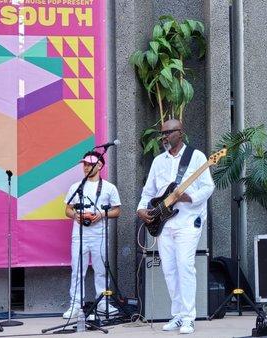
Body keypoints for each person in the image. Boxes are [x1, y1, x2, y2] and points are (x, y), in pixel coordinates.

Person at [137, 119, 215, 334]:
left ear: (180, 133)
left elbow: (209, 187)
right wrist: (142, 209)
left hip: (188, 222)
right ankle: (178, 315)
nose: (164, 137)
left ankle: (189, 316)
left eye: (168, 132)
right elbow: (149, 191)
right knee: (169, 269)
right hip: (164, 223)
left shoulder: (196, 157)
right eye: (162, 133)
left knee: (185, 266)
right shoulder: (158, 161)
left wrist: (190, 198)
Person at [63, 151, 121, 319]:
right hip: (79, 234)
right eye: (84, 164)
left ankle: (102, 302)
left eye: (89, 164)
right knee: (77, 269)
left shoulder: (109, 187)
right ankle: (75, 304)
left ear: (100, 165)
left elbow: (117, 210)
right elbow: (67, 209)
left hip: (100, 235)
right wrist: (77, 216)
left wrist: (101, 215)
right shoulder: (76, 186)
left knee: (101, 269)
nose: (86, 167)